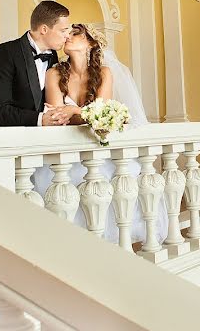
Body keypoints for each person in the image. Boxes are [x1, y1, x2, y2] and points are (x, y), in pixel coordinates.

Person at [35, 23, 166, 244]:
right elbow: (58, 118)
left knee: (120, 177)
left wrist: (75, 111)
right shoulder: (54, 73)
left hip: (94, 147)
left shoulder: (105, 73)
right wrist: (83, 114)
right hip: (65, 149)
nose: (68, 36)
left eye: (75, 33)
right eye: (67, 32)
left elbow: (100, 115)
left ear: (91, 43)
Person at [0, 0, 74, 127]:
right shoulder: (3, 53)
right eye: (63, 31)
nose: (67, 36)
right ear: (44, 29)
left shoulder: (53, 57)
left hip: (35, 141)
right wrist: (40, 119)